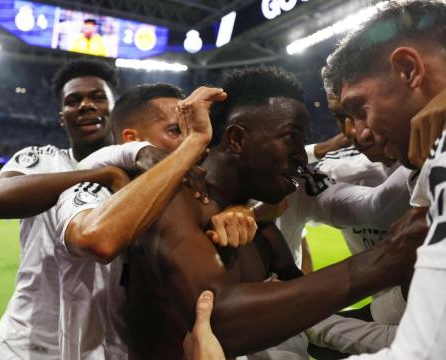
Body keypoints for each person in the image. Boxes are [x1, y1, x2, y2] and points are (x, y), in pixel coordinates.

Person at [125, 66, 427, 359]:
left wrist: (409, 333)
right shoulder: (175, 200)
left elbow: (305, 311)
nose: (300, 155)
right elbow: (220, 322)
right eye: (290, 138)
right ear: (237, 140)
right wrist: (384, 260)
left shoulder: (258, 221)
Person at [52, 83, 259, 359]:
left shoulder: (194, 193)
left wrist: (243, 209)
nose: (193, 142)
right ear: (131, 140)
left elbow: (281, 191)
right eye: (176, 131)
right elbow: (98, 240)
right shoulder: (92, 186)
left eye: (193, 130)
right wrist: (194, 141)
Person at [321, 0, 446, 357]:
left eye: (360, 110)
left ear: (408, 70)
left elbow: (423, 352)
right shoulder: (425, 166)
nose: (358, 133)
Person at [0, 60, 132, 359]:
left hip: (108, 346)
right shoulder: (39, 159)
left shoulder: (139, 176)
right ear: (62, 118)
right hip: (29, 344)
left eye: (98, 97)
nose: (86, 106)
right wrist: (100, 175)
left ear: (115, 109)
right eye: (73, 101)